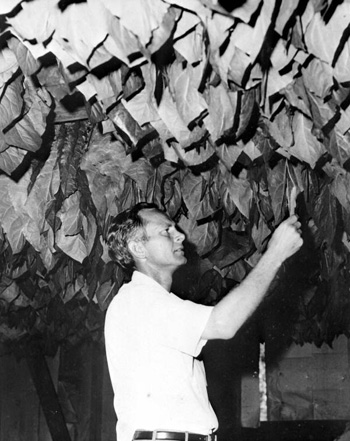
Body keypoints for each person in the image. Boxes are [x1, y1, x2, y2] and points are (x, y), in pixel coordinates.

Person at [104, 202, 303, 441]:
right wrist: (276, 253)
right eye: (166, 231)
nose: (180, 235)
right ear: (138, 247)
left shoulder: (151, 302)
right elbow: (222, 324)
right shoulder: (140, 299)